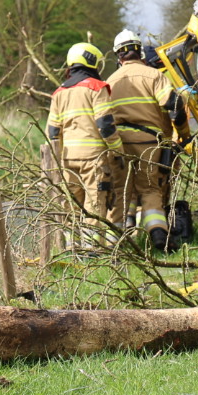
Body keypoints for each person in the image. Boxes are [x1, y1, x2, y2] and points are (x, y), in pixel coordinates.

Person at [104, 29, 185, 251]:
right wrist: (182, 127)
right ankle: (158, 234)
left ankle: (113, 244)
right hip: (148, 143)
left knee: (121, 190)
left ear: (118, 55)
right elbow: (173, 104)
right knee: (150, 188)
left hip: (118, 144)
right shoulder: (154, 76)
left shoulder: (110, 81)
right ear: (139, 51)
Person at [46, 42, 122, 244]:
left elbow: (52, 132)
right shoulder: (97, 88)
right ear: (92, 62)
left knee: (71, 206)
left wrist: (56, 161)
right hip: (93, 158)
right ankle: (91, 250)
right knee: (94, 204)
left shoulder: (59, 92)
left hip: (66, 159)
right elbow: (105, 125)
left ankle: (72, 250)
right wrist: (117, 151)